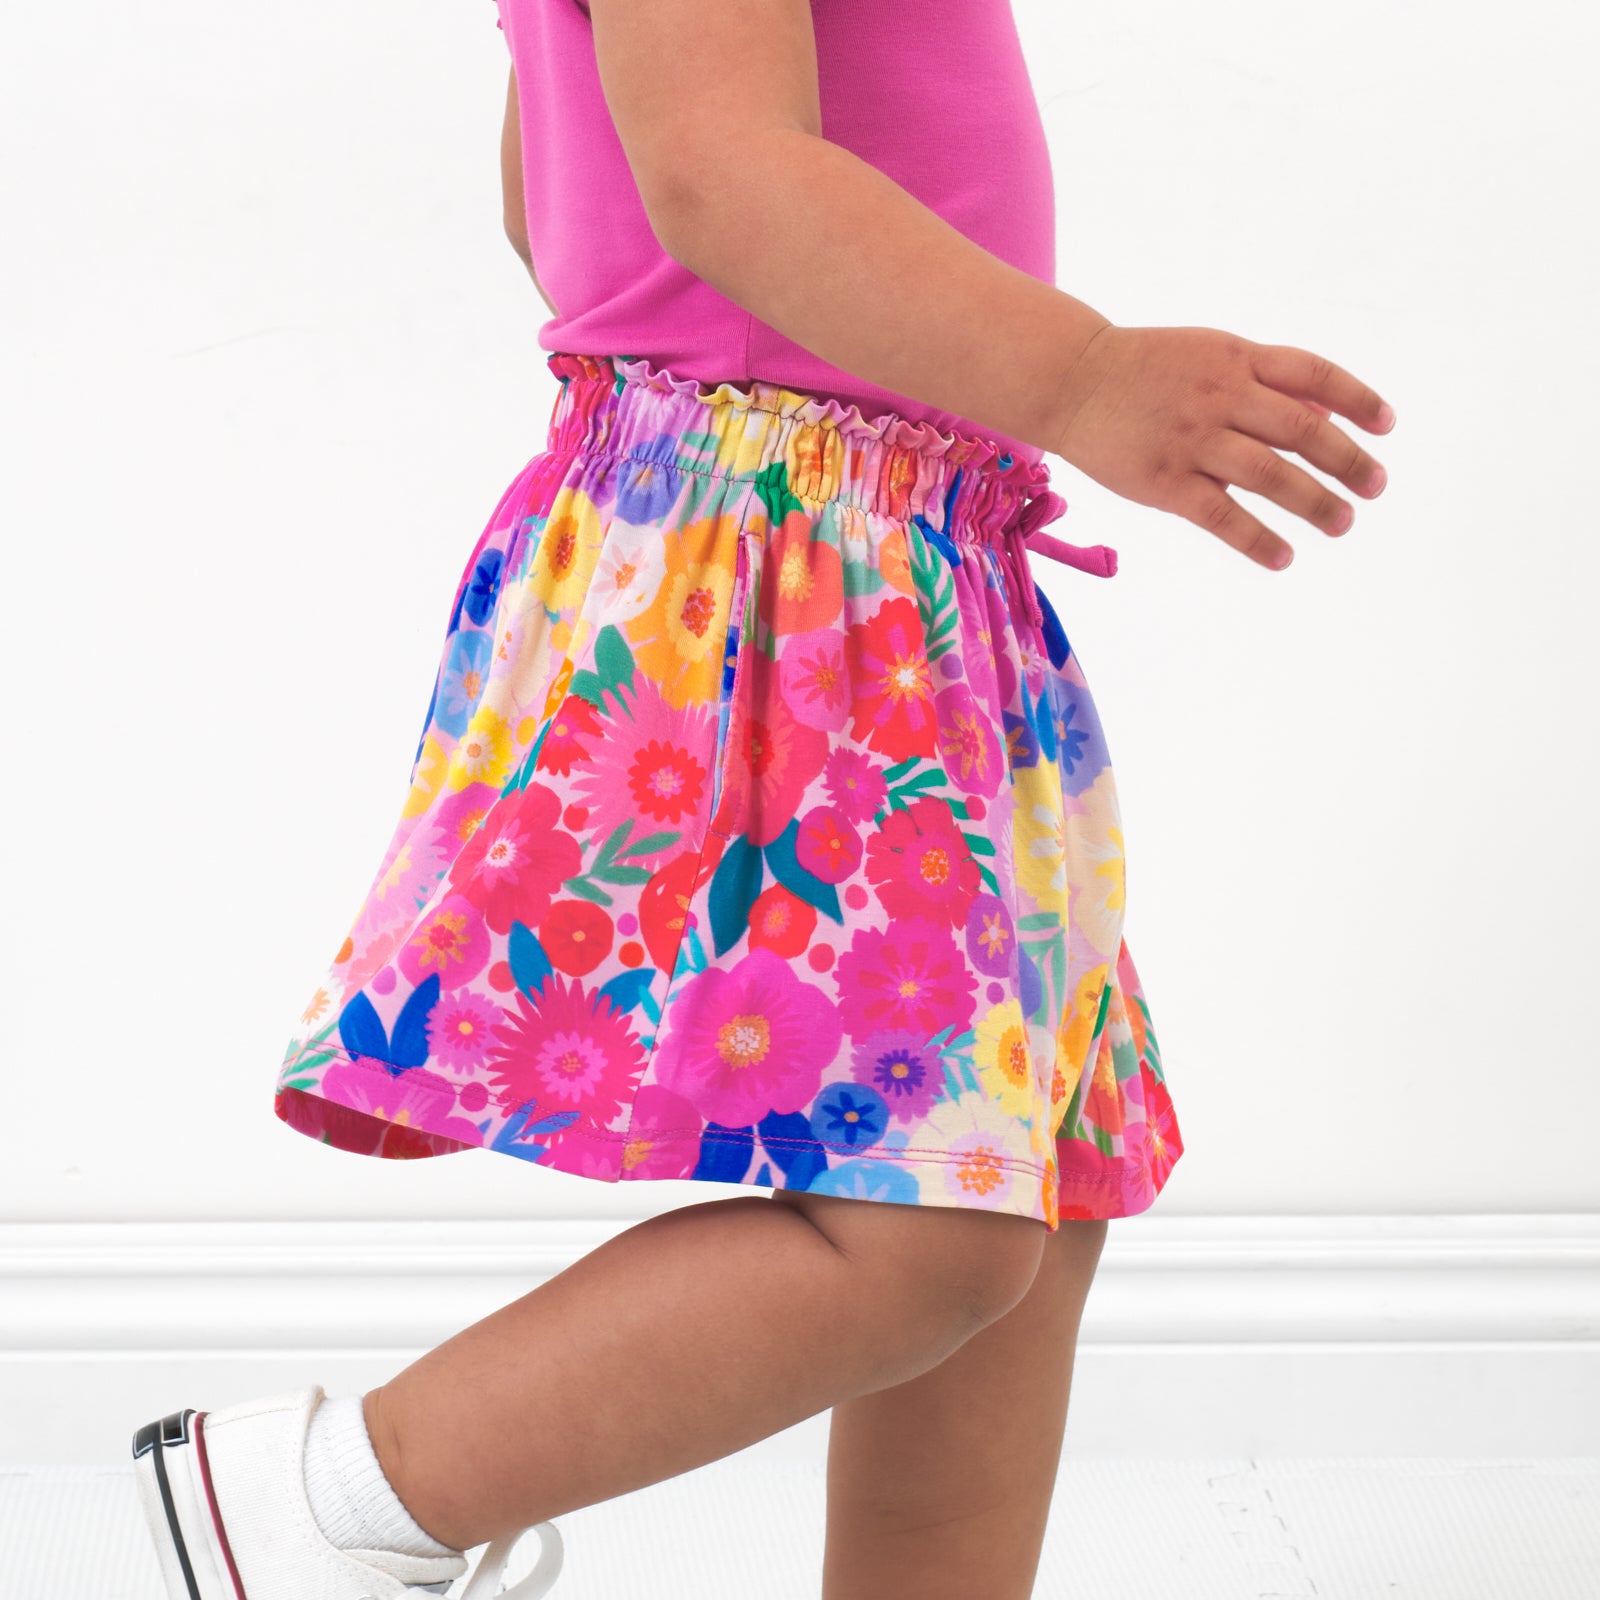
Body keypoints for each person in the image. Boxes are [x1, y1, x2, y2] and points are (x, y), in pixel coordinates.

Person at [130, 1, 1394, 1596]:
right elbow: (715, 170)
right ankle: (326, 1510)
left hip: (898, 540)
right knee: (927, 1234)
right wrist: (1073, 377)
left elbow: (557, 185)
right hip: (787, 550)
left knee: (1018, 1188)